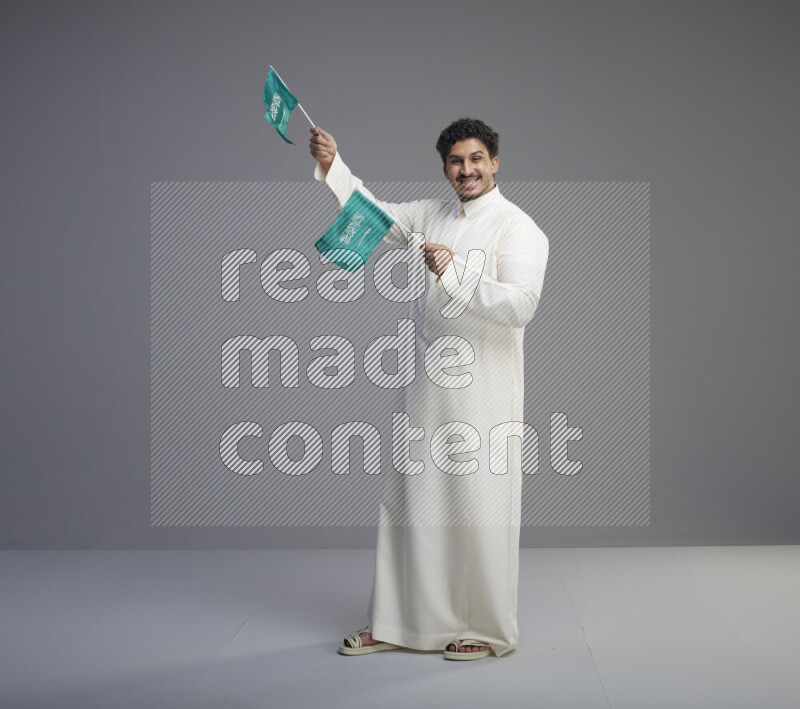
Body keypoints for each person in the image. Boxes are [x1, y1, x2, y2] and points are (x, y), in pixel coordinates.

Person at [309, 118, 549, 660]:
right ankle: (397, 624)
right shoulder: (430, 213)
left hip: (484, 389)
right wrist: (333, 165)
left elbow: (521, 306)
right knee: (410, 499)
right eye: (456, 162)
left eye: (476, 159)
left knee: (477, 502)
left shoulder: (519, 228)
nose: (466, 170)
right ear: (445, 168)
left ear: (494, 162)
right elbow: (374, 216)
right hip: (424, 381)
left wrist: (457, 271)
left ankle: (487, 631)